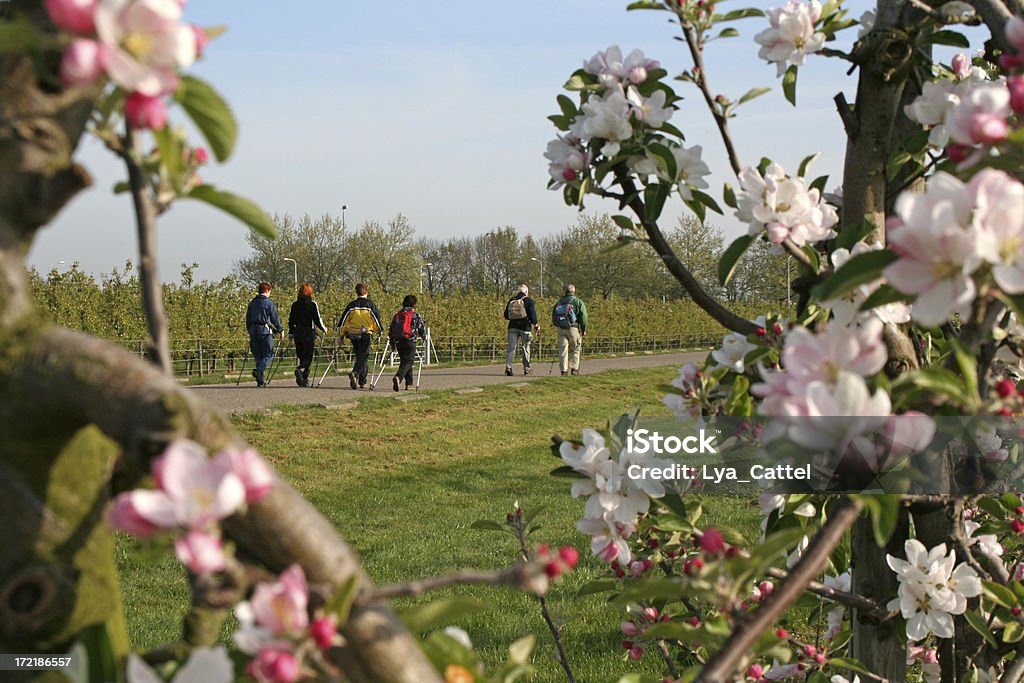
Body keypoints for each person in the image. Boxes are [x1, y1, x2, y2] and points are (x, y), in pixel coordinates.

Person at [337, 283, 383, 389]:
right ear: (366, 292)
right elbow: (376, 319)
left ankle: (362, 381)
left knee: (361, 356)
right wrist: (380, 330)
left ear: (356, 292)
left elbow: (343, 321)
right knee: (364, 355)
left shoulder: (351, 305)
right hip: (365, 333)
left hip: (353, 334)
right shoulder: (370, 305)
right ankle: (355, 373)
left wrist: (341, 335)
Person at [245, 281, 284, 387]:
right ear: (267, 291)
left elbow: (247, 318)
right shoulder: (268, 303)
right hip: (265, 331)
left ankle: (260, 380)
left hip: (253, 331)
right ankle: (259, 371)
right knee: (269, 354)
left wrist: (249, 329)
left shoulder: (252, 303)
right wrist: (280, 330)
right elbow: (274, 318)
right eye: (270, 291)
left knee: (258, 355)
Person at [288, 282, 326, 387]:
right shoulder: (312, 304)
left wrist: (291, 332)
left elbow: (291, 320)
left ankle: (304, 379)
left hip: (298, 332)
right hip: (308, 332)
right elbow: (317, 319)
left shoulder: (295, 305)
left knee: (301, 356)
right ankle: (300, 370)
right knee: (308, 357)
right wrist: (323, 328)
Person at [389, 294, 425, 392]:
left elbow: (391, 328)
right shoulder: (415, 315)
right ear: (414, 304)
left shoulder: (397, 315)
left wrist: (392, 342)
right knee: (409, 361)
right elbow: (421, 327)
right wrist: (423, 336)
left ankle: (409, 384)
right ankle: (398, 377)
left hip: (399, 341)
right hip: (410, 340)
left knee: (405, 361)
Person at [552, 283, 588, 376]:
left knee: (563, 349)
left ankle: (563, 371)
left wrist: (558, 324)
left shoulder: (559, 302)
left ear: (565, 291)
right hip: (573, 328)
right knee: (575, 348)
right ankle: (574, 369)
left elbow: (554, 316)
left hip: (561, 328)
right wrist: (583, 329)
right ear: (574, 292)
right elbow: (583, 316)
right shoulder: (578, 302)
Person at [503, 283, 539, 376]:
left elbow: (506, 315)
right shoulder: (528, 301)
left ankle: (508, 367)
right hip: (525, 327)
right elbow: (532, 315)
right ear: (526, 292)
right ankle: (527, 369)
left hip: (512, 327)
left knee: (511, 348)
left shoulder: (512, 300)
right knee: (525, 347)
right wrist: (535, 324)